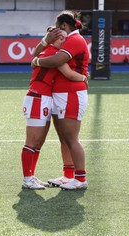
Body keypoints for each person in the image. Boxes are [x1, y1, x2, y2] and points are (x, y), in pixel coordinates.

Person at [21, 29, 89, 190]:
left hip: (43, 98)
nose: (65, 41)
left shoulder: (49, 51)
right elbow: (69, 74)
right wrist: (84, 77)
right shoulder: (54, 55)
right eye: (61, 39)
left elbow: (35, 56)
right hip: (38, 97)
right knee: (33, 142)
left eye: (66, 38)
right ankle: (27, 178)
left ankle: (31, 176)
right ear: (53, 40)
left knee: (38, 142)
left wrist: (37, 57)